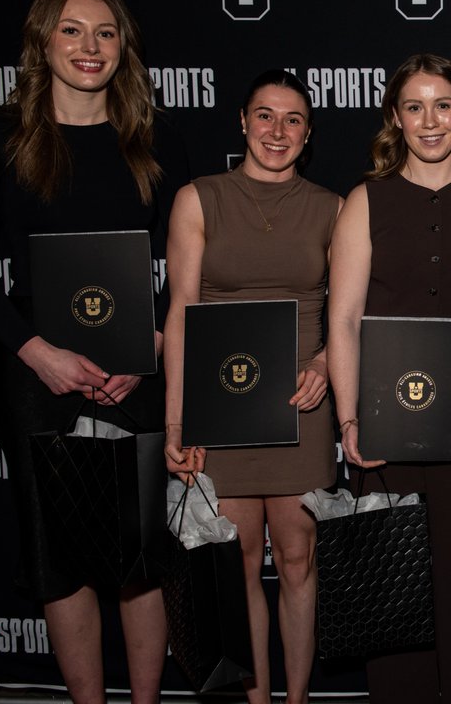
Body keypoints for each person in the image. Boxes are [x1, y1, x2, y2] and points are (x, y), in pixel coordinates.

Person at [0, 0, 187, 704]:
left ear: (124, 48)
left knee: (138, 556)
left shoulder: (148, 139)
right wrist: (36, 353)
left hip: (134, 372)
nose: (91, 46)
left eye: (106, 32)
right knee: (61, 558)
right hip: (37, 375)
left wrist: (149, 349)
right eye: (73, 30)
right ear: (43, 41)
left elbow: (190, 258)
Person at [327, 53, 451, 704]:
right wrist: (351, 418)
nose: (430, 120)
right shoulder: (365, 200)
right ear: (395, 117)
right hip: (387, 426)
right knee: (395, 592)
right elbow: (345, 319)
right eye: (414, 106)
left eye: (443, 104)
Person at [163, 69, 340, 704]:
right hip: (224, 405)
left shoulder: (332, 207)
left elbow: (345, 315)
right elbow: (181, 315)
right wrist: (179, 423)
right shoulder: (198, 198)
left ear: (308, 133)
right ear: (242, 121)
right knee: (236, 563)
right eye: (265, 116)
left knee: (298, 560)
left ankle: (297, 698)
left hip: (300, 403)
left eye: (293, 119)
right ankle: (256, 698)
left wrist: (324, 364)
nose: (277, 131)